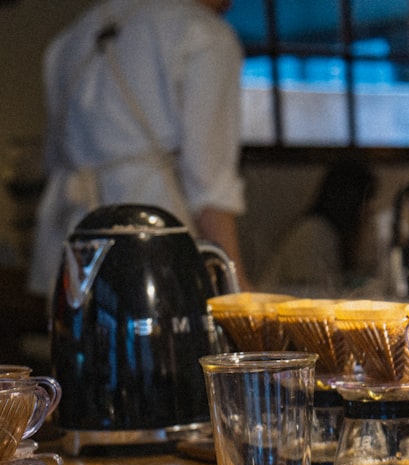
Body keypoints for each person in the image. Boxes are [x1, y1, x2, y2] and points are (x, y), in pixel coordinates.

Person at [30, 0, 249, 298]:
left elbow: (54, 158)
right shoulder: (203, 34)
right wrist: (236, 290)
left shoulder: (69, 38)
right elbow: (209, 180)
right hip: (153, 243)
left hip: (71, 250)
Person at [259, 157, 379, 297]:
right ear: (350, 199)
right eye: (368, 199)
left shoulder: (330, 232)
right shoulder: (313, 232)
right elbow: (316, 292)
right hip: (274, 310)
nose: (371, 207)